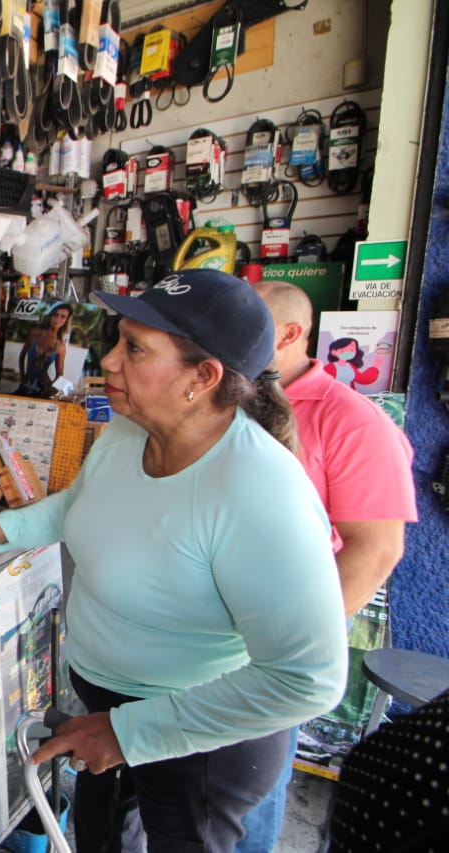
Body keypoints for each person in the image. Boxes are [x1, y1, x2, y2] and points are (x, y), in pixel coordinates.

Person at [0, 270, 349, 853]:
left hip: (199, 739)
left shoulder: (260, 490)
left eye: (135, 349)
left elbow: (309, 678)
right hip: (102, 705)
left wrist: (129, 735)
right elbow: (82, 504)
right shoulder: (128, 433)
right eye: (118, 340)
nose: (109, 361)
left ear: (202, 378)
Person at [234, 280, 417, 852]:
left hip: (273, 643)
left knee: (250, 791)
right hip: (203, 631)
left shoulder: (354, 423)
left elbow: (376, 549)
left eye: (249, 324)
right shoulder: (226, 395)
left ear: (289, 334)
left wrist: (294, 641)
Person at [17, 302, 72, 398]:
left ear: (66, 321)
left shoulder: (60, 347)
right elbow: (22, 356)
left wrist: (50, 390)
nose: (57, 319)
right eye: (56, 315)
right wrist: (22, 376)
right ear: (51, 315)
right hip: (25, 384)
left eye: (63, 317)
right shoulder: (35, 333)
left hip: (43, 387)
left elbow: (59, 375)